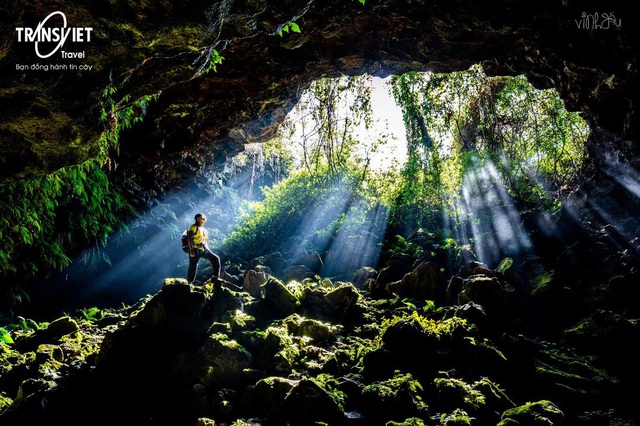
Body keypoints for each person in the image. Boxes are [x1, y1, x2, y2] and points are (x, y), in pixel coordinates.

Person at [186, 213, 221, 285]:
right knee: (193, 266)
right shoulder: (193, 227)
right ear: (198, 218)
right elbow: (189, 238)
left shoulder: (204, 230)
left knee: (215, 258)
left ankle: (215, 278)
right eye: (202, 217)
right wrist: (191, 250)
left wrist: (208, 253)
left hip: (202, 250)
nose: (204, 217)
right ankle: (189, 283)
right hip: (194, 249)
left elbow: (205, 242)